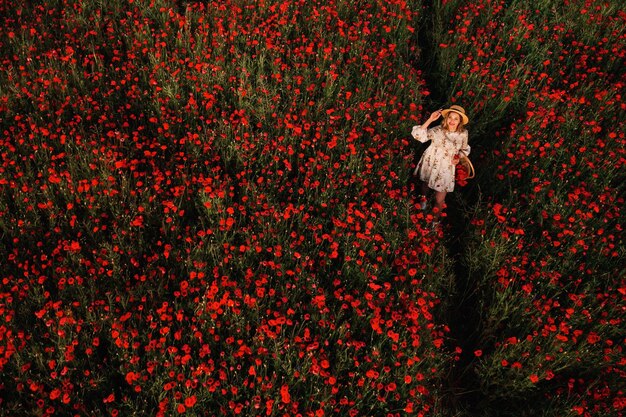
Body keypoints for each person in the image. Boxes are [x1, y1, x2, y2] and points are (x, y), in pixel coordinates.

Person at [411, 105, 470, 225]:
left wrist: (458, 158)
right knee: (425, 185)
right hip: (431, 163)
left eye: (456, 119)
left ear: (460, 122)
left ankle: (434, 223)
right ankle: (423, 204)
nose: (452, 121)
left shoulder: (463, 134)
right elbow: (418, 136)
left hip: (445, 168)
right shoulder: (438, 130)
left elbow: (464, 149)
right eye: (450, 117)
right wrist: (430, 120)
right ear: (446, 118)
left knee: (440, 198)